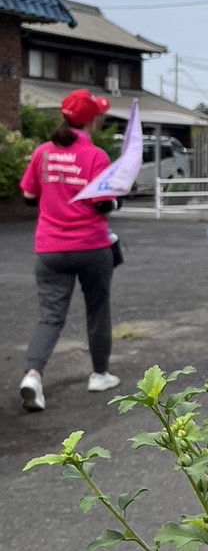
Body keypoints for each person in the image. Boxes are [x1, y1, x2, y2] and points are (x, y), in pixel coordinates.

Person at [18, 89, 122, 411]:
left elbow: (27, 195)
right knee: (97, 309)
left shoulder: (43, 153)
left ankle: (33, 375)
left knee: (50, 316)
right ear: (93, 120)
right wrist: (117, 197)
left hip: (50, 247)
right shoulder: (96, 156)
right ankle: (99, 374)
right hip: (91, 245)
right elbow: (104, 203)